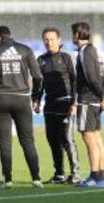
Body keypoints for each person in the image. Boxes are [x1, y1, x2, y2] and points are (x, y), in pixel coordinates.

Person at [0, 26, 44, 189]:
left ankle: (7, 180)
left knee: (4, 142)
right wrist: (35, 97)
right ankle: (36, 179)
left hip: (1, 99)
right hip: (22, 99)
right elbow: (37, 77)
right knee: (28, 140)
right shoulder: (25, 50)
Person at [33, 27, 81, 184]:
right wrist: (36, 99)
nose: (49, 42)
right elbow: (39, 83)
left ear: (59, 40)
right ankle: (59, 173)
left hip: (65, 102)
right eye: (46, 39)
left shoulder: (67, 57)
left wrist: (75, 102)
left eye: (52, 39)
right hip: (50, 104)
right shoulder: (41, 60)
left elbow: (76, 81)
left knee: (67, 139)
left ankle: (75, 174)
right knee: (52, 139)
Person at [71, 22, 104, 187]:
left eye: (73, 34)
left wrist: (101, 95)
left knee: (89, 138)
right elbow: (102, 76)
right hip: (96, 99)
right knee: (96, 137)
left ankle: (94, 176)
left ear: (77, 35)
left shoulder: (85, 52)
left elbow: (91, 77)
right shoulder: (95, 51)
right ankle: (100, 175)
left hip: (87, 99)